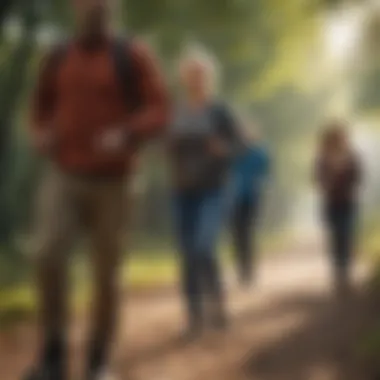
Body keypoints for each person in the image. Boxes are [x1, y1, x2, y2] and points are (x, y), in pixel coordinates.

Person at [26, 0, 169, 378]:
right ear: (75, 7)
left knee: (107, 273)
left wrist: (128, 132)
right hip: (64, 173)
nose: (96, 6)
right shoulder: (57, 55)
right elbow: (39, 106)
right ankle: (53, 356)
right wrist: (40, 133)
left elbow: (159, 109)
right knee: (47, 253)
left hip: (117, 182)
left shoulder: (132, 54)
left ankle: (99, 359)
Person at [168, 47, 241, 339]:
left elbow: (240, 146)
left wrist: (223, 148)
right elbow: (164, 145)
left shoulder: (221, 111)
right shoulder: (176, 111)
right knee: (187, 252)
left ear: (210, 78)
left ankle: (217, 305)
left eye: (201, 74)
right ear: (184, 78)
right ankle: (195, 317)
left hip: (213, 190)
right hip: (182, 190)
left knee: (203, 245)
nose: (196, 79)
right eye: (191, 74)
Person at [315, 122, 361, 294]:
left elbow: (358, 177)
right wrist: (329, 179)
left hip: (348, 202)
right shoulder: (322, 158)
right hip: (331, 203)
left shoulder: (351, 156)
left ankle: (345, 272)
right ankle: (339, 274)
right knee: (336, 237)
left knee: (346, 235)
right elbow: (318, 179)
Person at [231, 122, 270, 287]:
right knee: (236, 235)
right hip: (232, 199)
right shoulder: (232, 152)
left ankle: (248, 271)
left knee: (247, 233)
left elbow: (266, 170)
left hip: (252, 199)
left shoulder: (258, 152)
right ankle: (242, 270)